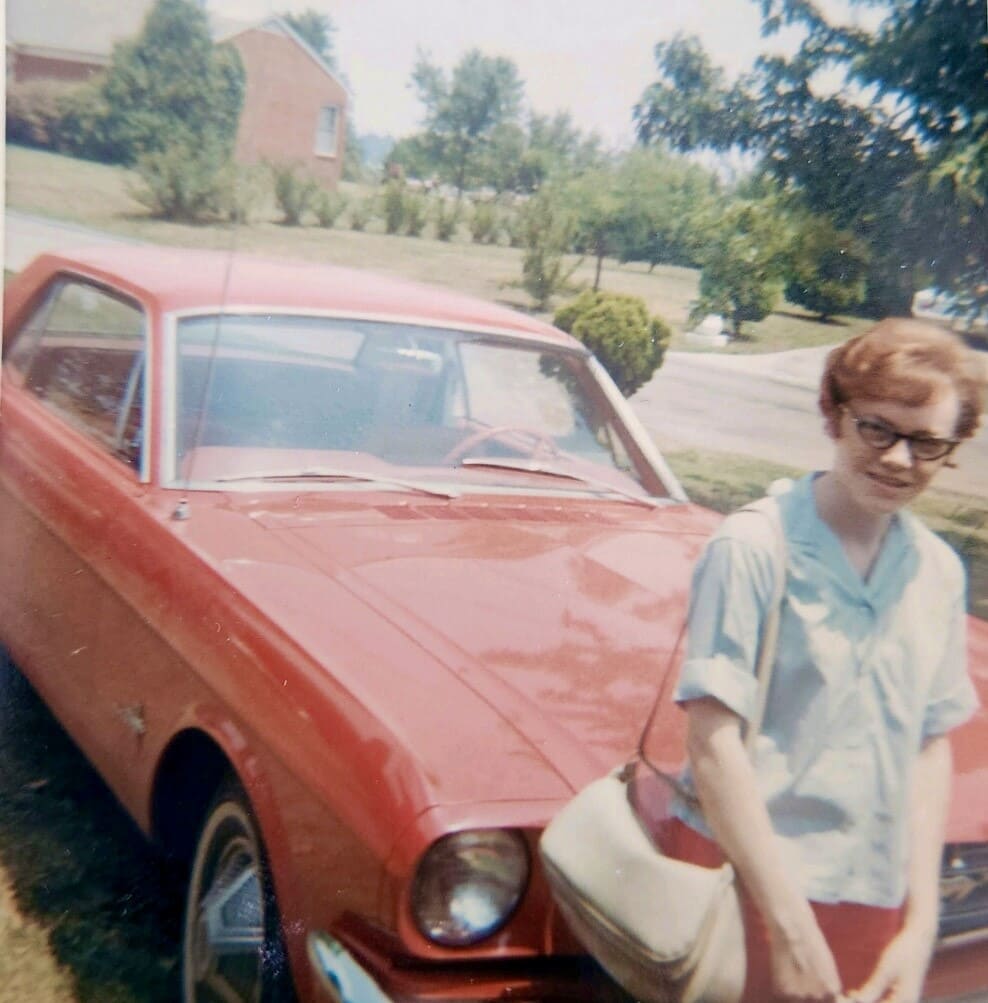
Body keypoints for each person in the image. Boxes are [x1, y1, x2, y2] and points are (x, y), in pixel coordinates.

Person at [664, 318, 986, 1003]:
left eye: (927, 442)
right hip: (746, 886)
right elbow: (713, 741)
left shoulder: (937, 570)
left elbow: (930, 747)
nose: (899, 459)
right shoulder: (756, 546)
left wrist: (921, 923)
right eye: (878, 429)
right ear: (835, 415)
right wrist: (790, 928)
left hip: (869, 896)